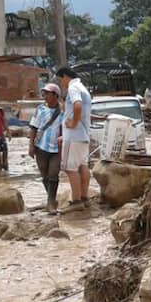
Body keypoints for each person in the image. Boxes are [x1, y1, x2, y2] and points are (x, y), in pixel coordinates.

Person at [56, 66, 92, 212]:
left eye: (60, 80)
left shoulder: (73, 88)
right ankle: (84, 198)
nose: (61, 84)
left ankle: (76, 201)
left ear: (65, 76)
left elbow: (77, 106)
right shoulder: (83, 88)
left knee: (70, 169)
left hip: (74, 135)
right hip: (83, 135)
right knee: (83, 166)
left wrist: (73, 123)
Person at [28, 83, 65, 213]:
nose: (45, 96)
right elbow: (33, 127)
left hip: (56, 148)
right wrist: (31, 145)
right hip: (41, 146)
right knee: (44, 175)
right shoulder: (40, 109)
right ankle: (52, 200)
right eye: (44, 93)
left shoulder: (63, 110)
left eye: (48, 93)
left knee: (53, 174)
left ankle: (50, 203)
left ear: (56, 95)